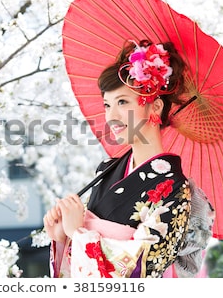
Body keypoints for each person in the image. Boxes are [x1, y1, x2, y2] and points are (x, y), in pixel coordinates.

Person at [43, 39, 214, 278]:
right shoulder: (107, 169)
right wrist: (62, 236)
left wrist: (77, 233)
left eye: (122, 102)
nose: (111, 116)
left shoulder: (176, 190)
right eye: (107, 105)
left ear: (155, 107)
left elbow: (145, 269)